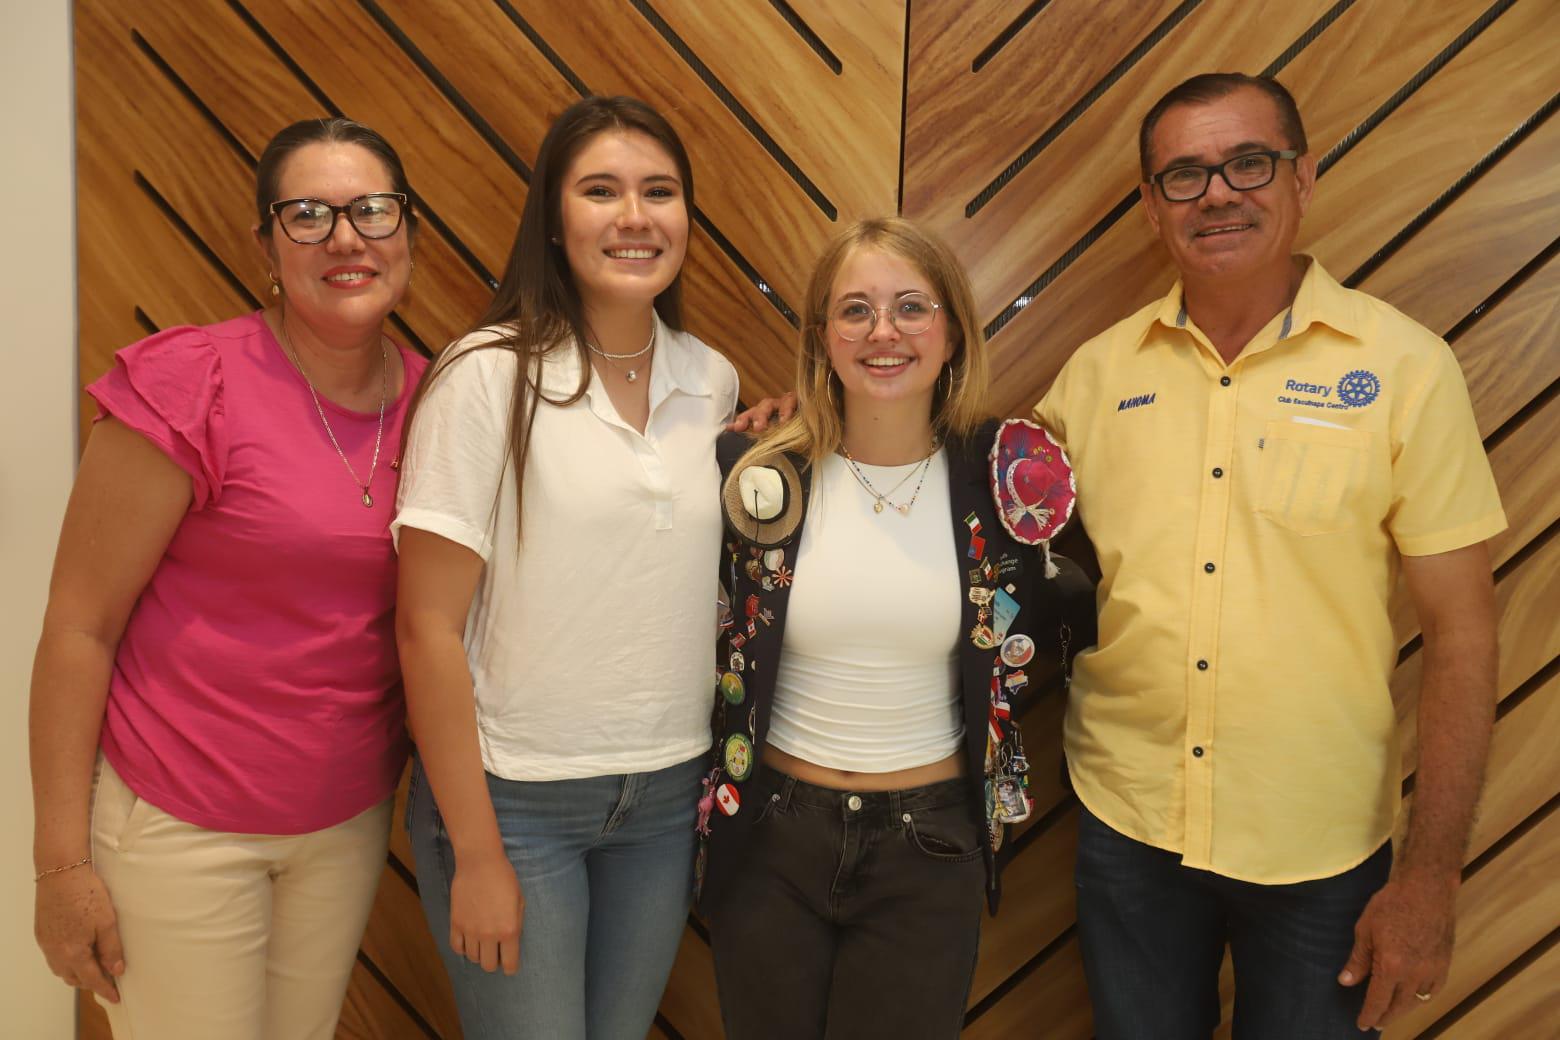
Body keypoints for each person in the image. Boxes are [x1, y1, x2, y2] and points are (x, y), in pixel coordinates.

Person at [1035, 73, 1505, 1036]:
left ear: (1305, 177)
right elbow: (968, 496)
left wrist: (1429, 878)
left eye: (1249, 162)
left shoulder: (1407, 371)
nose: (1216, 193)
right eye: (1183, 174)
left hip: (1322, 854)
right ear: (1150, 207)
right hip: (1131, 830)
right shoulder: (1094, 377)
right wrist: (803, 427)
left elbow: (1463, 635)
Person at [29, 117, 427, 1040]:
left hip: (344, 825)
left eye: (371, 210)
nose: (345, 238)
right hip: (178, 825)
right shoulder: (189, 381)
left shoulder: (441, 399)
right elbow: (79, 626)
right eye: (307, 215)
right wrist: (59, 864)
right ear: (265, 245)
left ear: (408, 231)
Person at [393, 96, 739, 1039]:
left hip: (667, 797)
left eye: (659, 192)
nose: (635, 216)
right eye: (602, 190)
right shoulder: (486, 376)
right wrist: (476, 851)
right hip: (513, 805)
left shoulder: (711, 380)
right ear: (554, 217)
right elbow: (425, 628)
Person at [700, 217, 1090, 1038]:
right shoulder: (758, 470)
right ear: (822, 337)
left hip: (929, 848)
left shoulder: (1004, 482)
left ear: (951, 331)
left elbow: (1075, 613)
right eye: (855, 311)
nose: (883, 332)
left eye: (912, 307)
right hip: (771, 840)